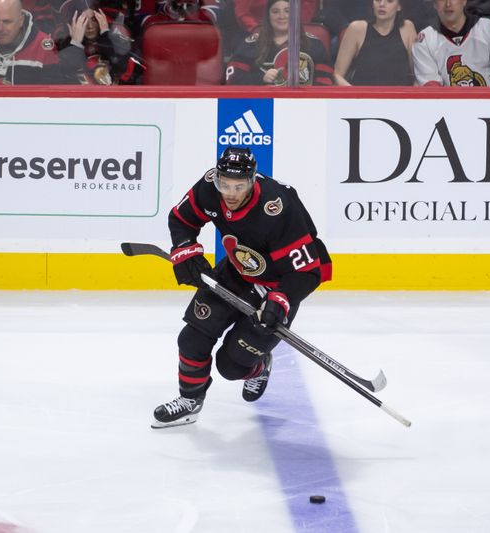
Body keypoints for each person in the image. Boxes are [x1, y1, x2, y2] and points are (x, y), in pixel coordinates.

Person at [152, 146, 332, 429]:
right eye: (225, 184)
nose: (231, 193)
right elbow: (182, 219)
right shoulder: (209, 187)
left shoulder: (278, 206)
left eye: (239, 186)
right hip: (235, 273)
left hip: (275, 288)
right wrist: (187, 249)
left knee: (231, 366)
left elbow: (308, 271)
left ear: (253, 180)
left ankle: (260, 365)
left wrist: (280, 301)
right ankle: (189, 402)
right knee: (192, 339)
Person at [0, 0, 85, 84]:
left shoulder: (43, 46)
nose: (0, 28)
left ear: (21, 20)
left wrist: (75, 46)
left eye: (7, 22)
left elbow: (52, 95)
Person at [225, 0, 333, 85]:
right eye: (275, 11)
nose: (281, 16)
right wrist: (260, 78)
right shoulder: (252, 44)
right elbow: (232, 77)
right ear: (268, 16)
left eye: (287, 11)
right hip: (263, 105)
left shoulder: (313, 44)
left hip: (305, 106)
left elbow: (326, 80)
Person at [412, 0, 490, 86]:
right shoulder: (424, 41)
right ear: (434, 4)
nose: (448, 4)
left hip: (488, 106)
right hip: (446, 108)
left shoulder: (488, 29)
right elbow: (432, 90)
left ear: (465, 1)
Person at [54, 0, 144, 84]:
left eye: (94, 19)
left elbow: (133, 72)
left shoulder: (116, 39)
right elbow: (60, 78)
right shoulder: (61, 44)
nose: (90, 26)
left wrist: (106, 36)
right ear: (72, 23)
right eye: (83, 21)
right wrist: (75, 43)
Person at [333, 0, 417, 86]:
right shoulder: (357, 29)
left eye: (389, 1)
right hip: (362, 96)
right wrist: (357, 96)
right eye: (377, 0)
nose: (382, 4)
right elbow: (337, 75)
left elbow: (417, 75)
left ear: (399, 6)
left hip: (400, 97)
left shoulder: (407, 28)